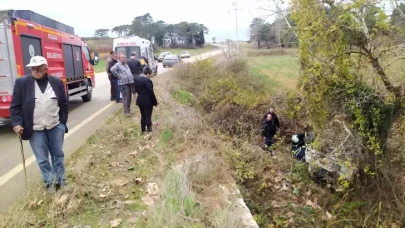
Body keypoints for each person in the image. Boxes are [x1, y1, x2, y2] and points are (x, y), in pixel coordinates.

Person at [9, 56, 69, 192]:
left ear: (46, 68)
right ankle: (50, 184)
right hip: (35, 129)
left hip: (55, 126)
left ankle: (62, 181)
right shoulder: (22, 83)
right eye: (32, 68)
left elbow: (64, 104)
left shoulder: (57, 82)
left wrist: (62, 122)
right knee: (42, 159)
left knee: (58, 155)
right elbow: (15, 107)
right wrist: (17, 123)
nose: (35, 71)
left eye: (38, 68)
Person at [135, 67, 158, 133]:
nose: (150, 76)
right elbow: (151, 92)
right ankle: (149, 129)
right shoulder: (147, 81)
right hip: (147, 100)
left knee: (143, 115)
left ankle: (143, 130)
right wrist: (155, 102)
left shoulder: (137, 79)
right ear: (147, 74)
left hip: (139, 100)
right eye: (150, 74)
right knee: (148, 115)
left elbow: (136, 89)